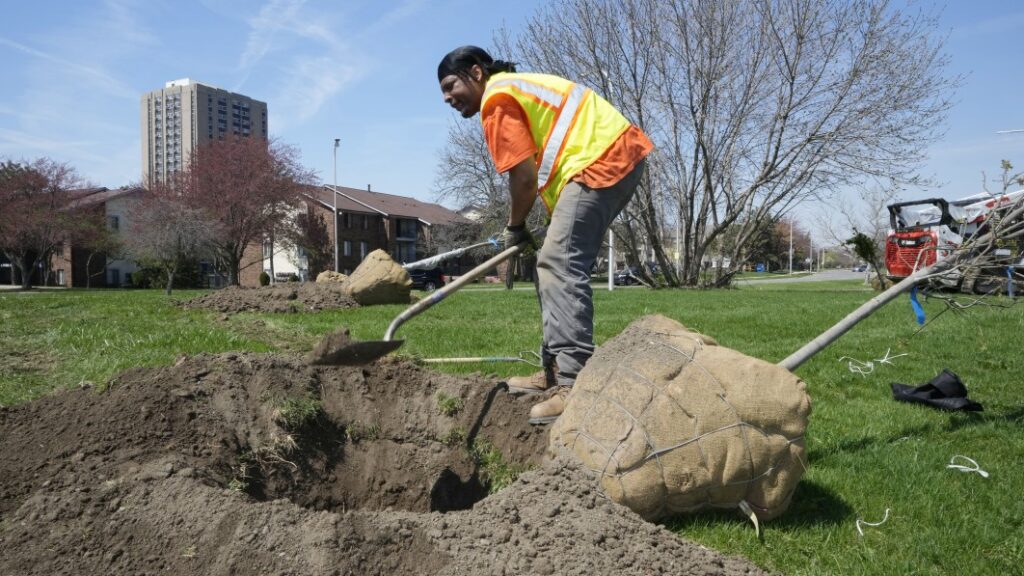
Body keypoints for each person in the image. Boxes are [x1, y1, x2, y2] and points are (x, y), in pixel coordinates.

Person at [438, 46, 653, 424]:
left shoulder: (498, 99)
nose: (446, 97)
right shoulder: (511, 89)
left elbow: (523, 179)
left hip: (601, 161)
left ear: (476, 73)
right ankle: (554, 371)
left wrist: (515, 228)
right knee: (547, 265)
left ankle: (575, 384)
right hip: (606, 157)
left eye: (450, 84)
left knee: (558, 263)